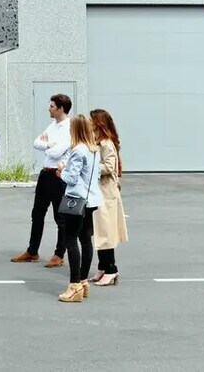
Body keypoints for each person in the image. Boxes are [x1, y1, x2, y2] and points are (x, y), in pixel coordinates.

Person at [11, 94, 72, 268]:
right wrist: (48, 145)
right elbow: (36, 142)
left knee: (60, 217)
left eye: (52, 106)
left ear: (61, 108)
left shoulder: (69, 128)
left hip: (58, 176)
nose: (49, 108)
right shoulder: (52, 125)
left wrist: (49, 147)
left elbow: (57, 152)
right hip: (45, 174)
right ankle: (32, 251)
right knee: (37, 214)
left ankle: (59, 254)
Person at [55, 115, 103, 302]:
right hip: (91, 200)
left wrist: (61, 171)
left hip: (77, 200)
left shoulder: (78, 150)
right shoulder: (94, 150)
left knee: (70, 239)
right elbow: (95, 175)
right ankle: (83, 281)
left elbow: (72, 178)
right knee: (86, 240)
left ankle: (74, 285)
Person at [88, 109, 128, 286]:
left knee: (106, 231)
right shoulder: (97, 142)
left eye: (91, 120)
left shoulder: (106, 143)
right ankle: (103, 267)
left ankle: (111, 269)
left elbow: (109, 166)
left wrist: (90, 167)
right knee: (100, 230)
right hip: (99, 192)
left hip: (106, 193)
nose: (89, 123)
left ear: (99, 123)